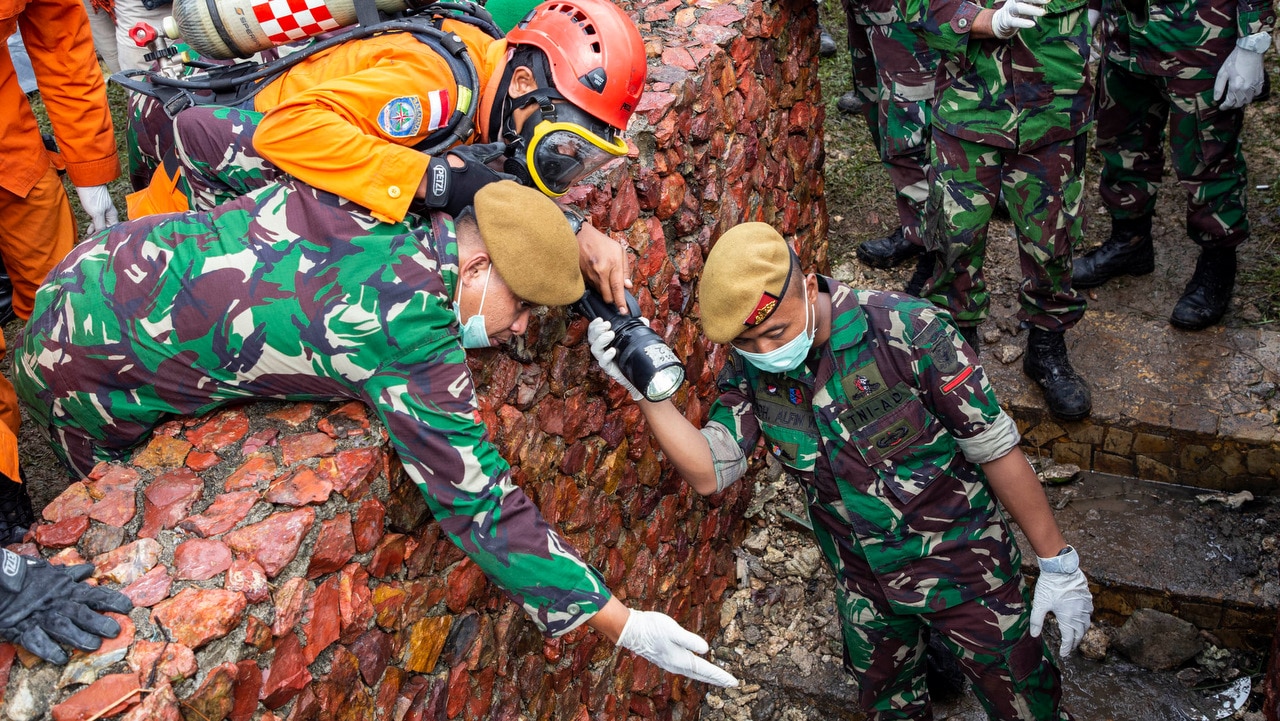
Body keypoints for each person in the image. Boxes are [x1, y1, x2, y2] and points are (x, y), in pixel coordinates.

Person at [13, 178, 738, 688]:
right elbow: (480, 502)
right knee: (110, 499)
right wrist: (621, 621)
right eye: (519, 307)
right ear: (477, 264)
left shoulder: (384, 196)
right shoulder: (407, 325)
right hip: (81, 363)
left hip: (96, 262)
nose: (519, 328)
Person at [590, 223, 1093, 720]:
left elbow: (995, 449)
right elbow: (710, 470)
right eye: (749, 343)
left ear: (809, 288)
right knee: (888, 707)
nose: (768, 353)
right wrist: (646, 394)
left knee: (1027, 704)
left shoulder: (911, 330)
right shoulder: (750, 370)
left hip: (966, 571)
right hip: (864, 585)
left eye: (777, 332)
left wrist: (1056, 562)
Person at [126, 0, 643, 311]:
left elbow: (492, 178)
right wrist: (432, 179)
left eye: (581, 157)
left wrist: (575, 230)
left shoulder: (490, 75)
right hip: (185, 203)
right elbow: (289, 132)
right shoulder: (437, 86)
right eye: (563, 145)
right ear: (524, 81)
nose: (562, 165)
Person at [901, 0, 1095, 422]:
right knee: (955, 234)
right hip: (969, 100)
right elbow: (914, 8)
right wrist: (983, 20)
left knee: (1053, 237)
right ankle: (957, 341)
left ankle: (1046, 345)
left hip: (1055, 102)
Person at [1074, 0, 1274, 330]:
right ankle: (1130, 243)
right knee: (1122, 142)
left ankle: (1217, 264)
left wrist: (1253, 39)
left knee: (1207, 158)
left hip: (1199, 38)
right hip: (1125, 35)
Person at [836, 0, 939, 291]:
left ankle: (938, 257)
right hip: (870, 11)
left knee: (909, 130)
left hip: (909, 12)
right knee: (879, 106)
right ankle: (919, 229)